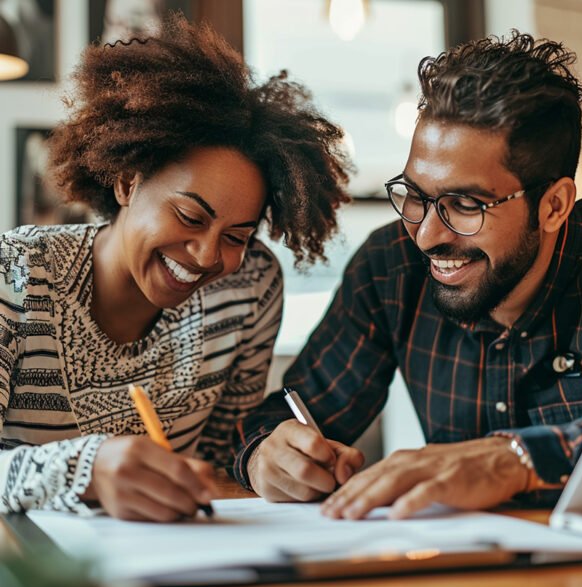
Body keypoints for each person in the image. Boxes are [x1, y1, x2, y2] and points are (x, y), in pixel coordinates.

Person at [232, 31, 582, 519]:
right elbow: (292, 414)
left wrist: (516, 459)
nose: (425, 236)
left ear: (554, 205)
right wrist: (267, 454)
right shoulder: (391, 269)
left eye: (465, 204)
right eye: (414, 195)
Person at [0, 16, 352, 521]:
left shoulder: (249, 286)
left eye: (237, 236)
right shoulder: (14, 275)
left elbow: (221, 457)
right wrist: (84, 470)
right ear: (126, 183)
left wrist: (262, 461)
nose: (209, 257)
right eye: (189, 216)